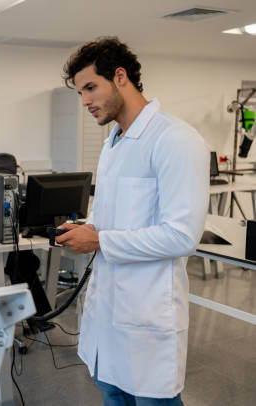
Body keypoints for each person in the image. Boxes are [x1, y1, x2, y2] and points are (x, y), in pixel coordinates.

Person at [56, 37, 209, 405]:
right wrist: (89, 228)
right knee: (112, 392)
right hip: (107, 317)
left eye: (90, 88)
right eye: (80, 93)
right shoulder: (114, 142)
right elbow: (112, 214)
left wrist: (99, 241)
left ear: (120, 76)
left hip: (146, 317)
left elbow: (182, 235)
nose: (85, 102)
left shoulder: (175, 139)